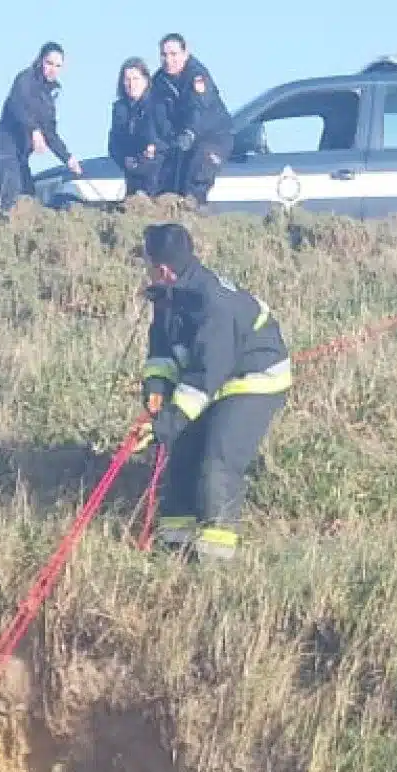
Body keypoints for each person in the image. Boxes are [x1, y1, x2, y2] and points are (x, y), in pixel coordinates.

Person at [138, 223, 291, 561]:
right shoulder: (170, 294)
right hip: (210, 378)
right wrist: (156, 390)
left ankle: (215, 558)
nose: (144, 270)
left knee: (217, 458)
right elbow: (162, 351)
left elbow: (206, 375)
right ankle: (174, 542)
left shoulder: (214, 305)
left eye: (146, 263)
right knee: (182, 450)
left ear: (162, 269)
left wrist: (170, 420)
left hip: (254, 378)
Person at [0, 43, 83, 215]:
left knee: (30, 201)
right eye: (49, 63)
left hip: (21, 158)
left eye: (58, 66)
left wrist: (68, 158)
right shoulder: (25, 79)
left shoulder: (49, 95)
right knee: (12, 195)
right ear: (40, 61)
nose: (53, 69)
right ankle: (2, 231)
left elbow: (50, 133)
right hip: (3, 153)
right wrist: (34, 130)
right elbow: (18, 106)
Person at [151, 34, 233, 204]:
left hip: (212, 137)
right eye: (164, 55)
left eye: (173, 54)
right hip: (180, 141)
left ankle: (195, 211)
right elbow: (157, 115)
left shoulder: (197, 76)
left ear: (185, 53)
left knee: (198, 172)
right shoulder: (159, 81)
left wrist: (190, 133)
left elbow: (199, 108)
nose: (168, 60)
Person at [108, 57, 172, 198]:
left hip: (157, 171)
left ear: (146, 80)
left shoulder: (159, 105)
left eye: (136, 79)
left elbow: (170, 137)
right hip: (131, 170)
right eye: (127, 79)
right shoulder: (120, 108)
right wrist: (124, 158)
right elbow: (114, 142)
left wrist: (155, 147)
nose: (131, 84)